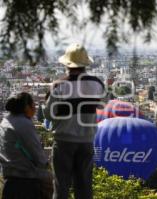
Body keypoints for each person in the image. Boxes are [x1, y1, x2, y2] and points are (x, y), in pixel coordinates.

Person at [43, 43, 105, 199]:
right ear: (85, 64)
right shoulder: (96, 84)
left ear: (67, 65)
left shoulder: (59, 85)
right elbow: (103, 104)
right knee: (84, 185)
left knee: (61, 185)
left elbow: (49, 114)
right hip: (86, 140)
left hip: (63, 140)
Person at [0, 92, 50, 199]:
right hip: (27, 182)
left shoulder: (5, 122)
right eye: (33, 104)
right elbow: (40, 159)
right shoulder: (24, 124)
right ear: (27, 107)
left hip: (9, 181)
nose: (35, 108)